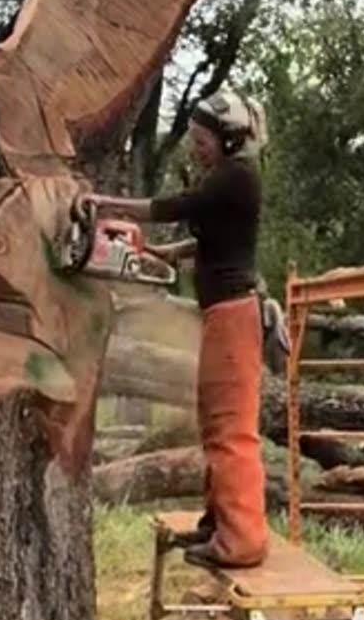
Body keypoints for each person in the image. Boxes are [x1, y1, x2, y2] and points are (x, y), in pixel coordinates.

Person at [78, 89, 270, 568]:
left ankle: (242, 540)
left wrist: (105, 205)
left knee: (231, 428)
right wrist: (164, 255)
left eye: (202, 140)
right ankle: (219, 521)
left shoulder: (237, 176)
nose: (195, 148)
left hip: (233, 313)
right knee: (213, 421)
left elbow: (174, 207)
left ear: (227, 140)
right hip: (221, 314)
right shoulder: (227, 180)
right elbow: (207, 236)